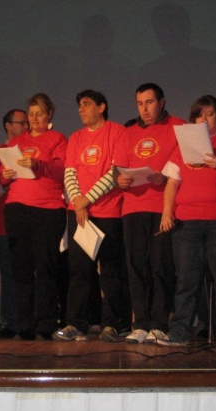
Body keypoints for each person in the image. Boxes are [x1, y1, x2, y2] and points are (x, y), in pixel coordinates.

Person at [157, 95, 216, 348]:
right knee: (186, 278)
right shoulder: (184, 145)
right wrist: (167, 212)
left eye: (209, 114)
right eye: (199, 115)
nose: (204, 119)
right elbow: (172, 183)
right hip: (188, 221)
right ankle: (180, 331)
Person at [53, 90, 128, 342]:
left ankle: (111, 324)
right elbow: (70, 173)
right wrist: (78, 202)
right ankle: (76, 323)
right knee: (79, 270)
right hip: (79, 213)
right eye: (79, 106)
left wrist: (87, 199)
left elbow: (115, 172)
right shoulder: (76, 137)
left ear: (101, 107)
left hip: (108, 211)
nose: (81, 109)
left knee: (110, 271)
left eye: (86, 104)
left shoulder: (118, 132)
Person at [114, 83, 184, 344]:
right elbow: (118, 169)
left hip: (162, 207)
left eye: (150, 102)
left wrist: (164, 177)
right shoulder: (129, 132)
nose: (144, 109)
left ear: (162, 102)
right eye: (140, 103)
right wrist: (119, 180)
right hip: (132, 207)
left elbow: (187, 164)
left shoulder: (178, 126)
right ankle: (140, 324)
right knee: (135, 267)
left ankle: (159, 323)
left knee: (161, 266)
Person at [1, 93, 67, 341]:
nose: (35, 118)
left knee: (45, 267)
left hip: (47, 210)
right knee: (21, 269)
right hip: (17, 208)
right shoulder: (17, 141)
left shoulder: (57, 139)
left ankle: (45, 323)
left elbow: (62, 170)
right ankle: (25, 324)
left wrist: (38, 164)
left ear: (49, 114)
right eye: (31, 114)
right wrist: (6, 174)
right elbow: (3, 177)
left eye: (39, 113)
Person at [0, 109, 28, 339]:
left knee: (31, 273)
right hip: (5, 221)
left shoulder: (32, 150)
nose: (26, 127)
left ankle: (32, 322)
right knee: (9, 275)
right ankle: (11, 323)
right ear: (8, 125)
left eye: (27, 123)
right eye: (21, 123)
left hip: (31, 220)